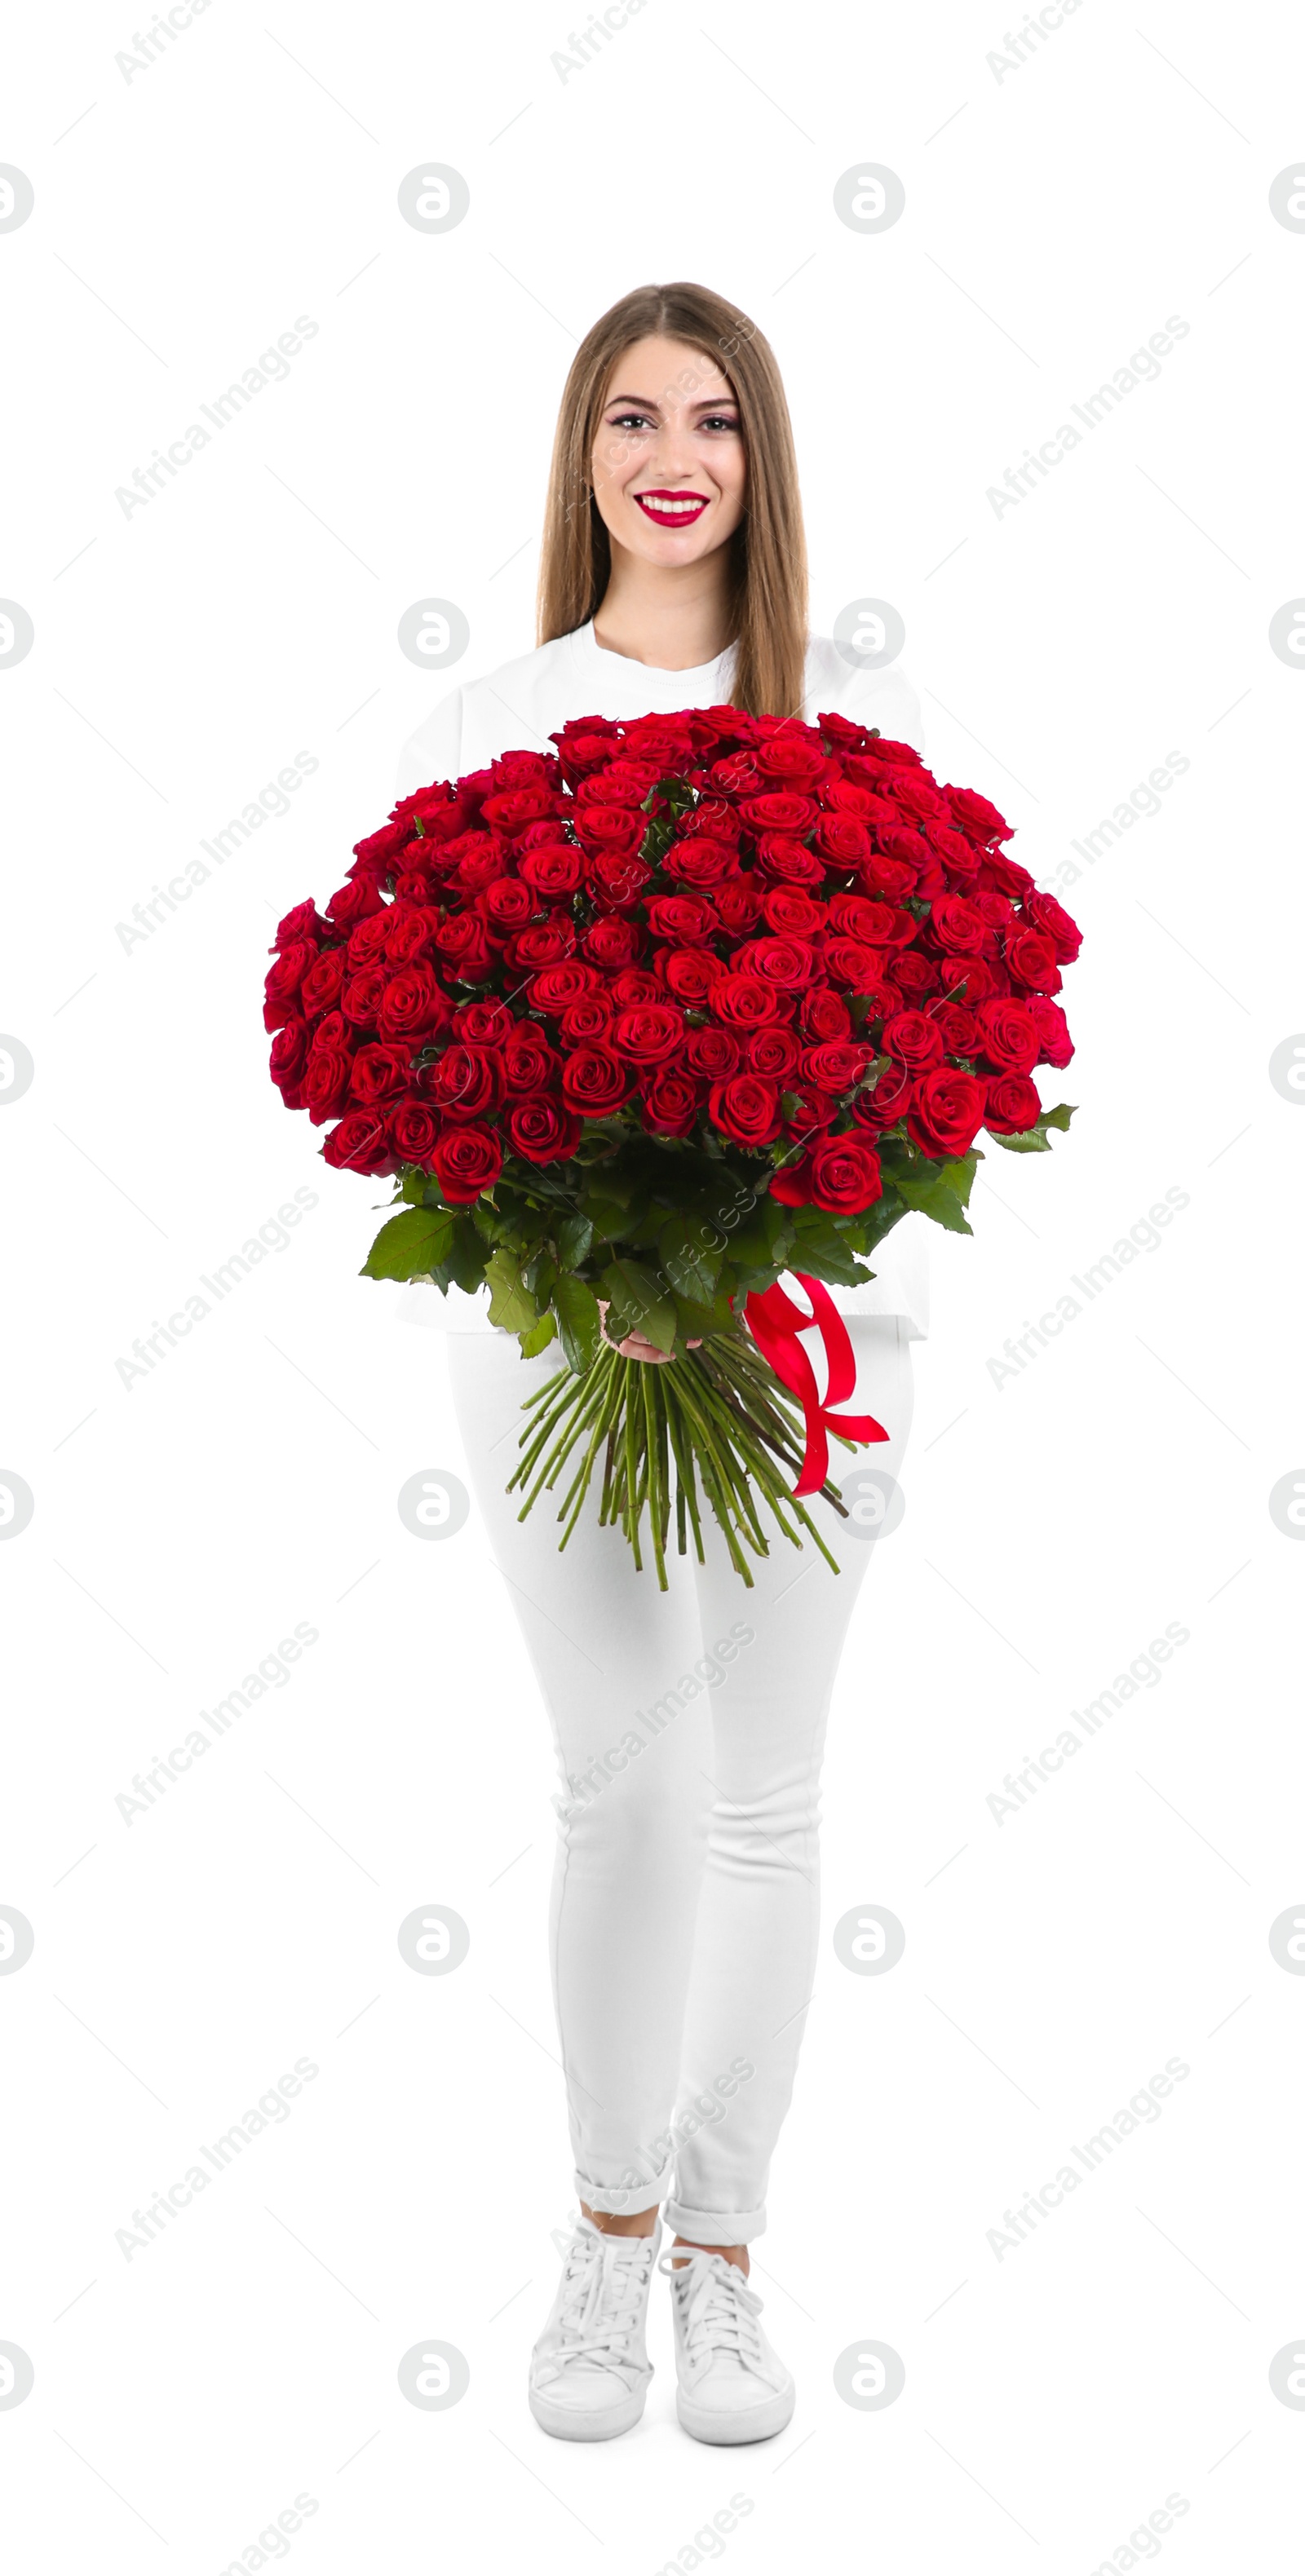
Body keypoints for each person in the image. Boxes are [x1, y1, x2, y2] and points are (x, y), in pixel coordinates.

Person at [396, 281, 927, 2446]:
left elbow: (911, 1060)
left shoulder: (848, 700)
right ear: (582, 456)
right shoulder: (500, 715)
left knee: (769, 1798)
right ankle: (603, 2243)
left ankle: (722, 2255)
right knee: (623, 1783)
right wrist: (588, 1256)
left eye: (714, 418)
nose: (671, 456)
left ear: (761, 459)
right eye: (630, 418)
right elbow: (439, 1045)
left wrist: (748, 1247)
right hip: (542, 1334)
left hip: (804, 1329)